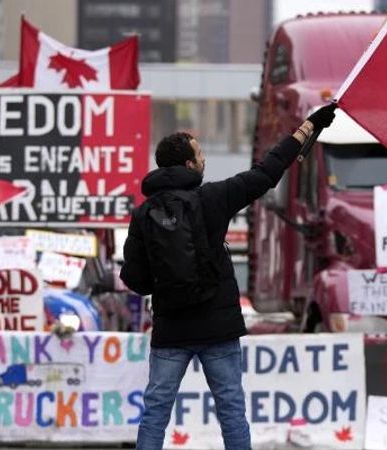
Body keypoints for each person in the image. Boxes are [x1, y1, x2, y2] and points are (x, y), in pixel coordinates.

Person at [121, 103, 337, 450]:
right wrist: (307, 127)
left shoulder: (144, 213)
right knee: (231, 409)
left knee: (156, 410)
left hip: (170, 329)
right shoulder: (215, 197)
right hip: (217, 328)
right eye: (200, 154)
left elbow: (134, 277)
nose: (204, 160)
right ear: (189, 165)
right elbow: (266, 173)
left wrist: (166, 283)